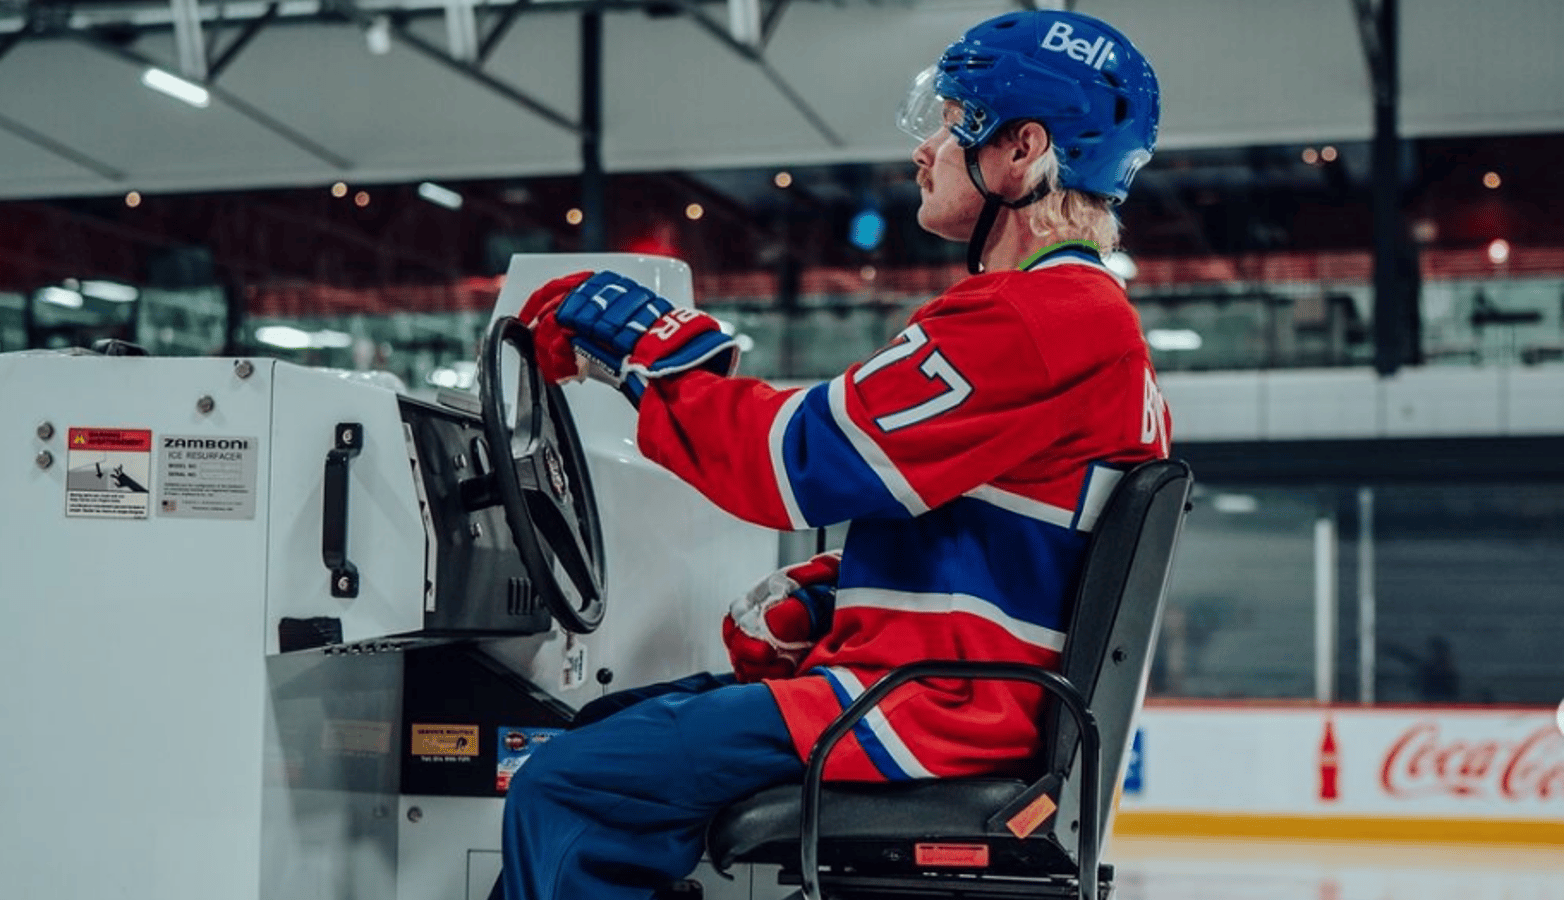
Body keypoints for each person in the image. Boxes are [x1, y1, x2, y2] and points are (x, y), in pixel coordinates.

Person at [493, 9, 1168, 899]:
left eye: (952, 120)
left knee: (570, 787)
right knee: (611, 729)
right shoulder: (1067, 320)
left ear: (1020, 150)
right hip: (945, 691)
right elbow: (1003, 539)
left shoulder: (1038, 319)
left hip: (937, 708)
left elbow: (794, 464)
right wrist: (834, 595)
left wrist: (653, 356)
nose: (925, 150)